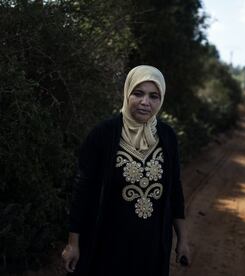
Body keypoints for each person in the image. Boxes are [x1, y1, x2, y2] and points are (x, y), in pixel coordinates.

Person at [61, 65, 190, 276]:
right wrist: (73, 243)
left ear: (161, 99)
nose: (145, 102)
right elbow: (82, 191)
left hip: (152, 247)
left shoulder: (167, 137)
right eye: (138, 93)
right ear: (127, 93)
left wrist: (183, 239)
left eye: (153, 96)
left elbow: (175, 191)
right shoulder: (103, 134)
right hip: (107, 245)